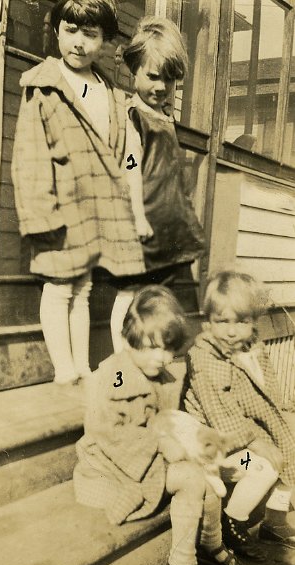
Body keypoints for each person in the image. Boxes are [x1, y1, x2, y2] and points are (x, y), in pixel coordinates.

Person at [74, 286, 249, 565]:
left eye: (168, 349)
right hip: (111, 468)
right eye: (152, 347)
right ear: (130, 339)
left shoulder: (162, 375)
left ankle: (211, 543)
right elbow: (108, 433)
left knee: (207, 477)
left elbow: (170, 418)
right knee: (193, 479)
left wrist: (188, 442)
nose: (162, 357)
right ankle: (181, 564)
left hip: (148, 457)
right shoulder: (115, 376)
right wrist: (161, 444)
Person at [11, 0, 145, 386]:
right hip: (60, 205)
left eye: (90, 35)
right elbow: (30, 155)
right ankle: (63, 370)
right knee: (58, 286)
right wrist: (40, 216)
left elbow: (127, 156)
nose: (79, 43)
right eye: (71, 31)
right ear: (56, 31)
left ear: (105, 41)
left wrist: (131, 181)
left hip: (98, 206)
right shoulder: (45, 87)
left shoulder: (109, 92)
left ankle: (82, 368)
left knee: (83, 288)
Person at [184, 269, 295, 560]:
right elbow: (221, 415)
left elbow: (268, 392)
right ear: (208, 322)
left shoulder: (252, 347)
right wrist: (258, 442)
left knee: (289, 445)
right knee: (263, 466)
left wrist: (275, 430)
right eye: (222, 322)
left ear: (253, 322)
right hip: (217, 443)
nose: (232, 331)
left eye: (241, 322)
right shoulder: (206, 358)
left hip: (246, 433)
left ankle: (274, 522)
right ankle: (232, 522)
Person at [109, 17, 205, 352]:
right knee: (131, 292)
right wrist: (137, 216)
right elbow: (131, 166)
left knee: (160, 296)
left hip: (168, 228)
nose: (161, 87)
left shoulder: (165, 117)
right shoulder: (133, 115)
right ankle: (122, 361)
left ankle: (149, 355)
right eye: (152, 76)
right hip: (145, 224)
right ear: (133, 70)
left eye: (170, 79)